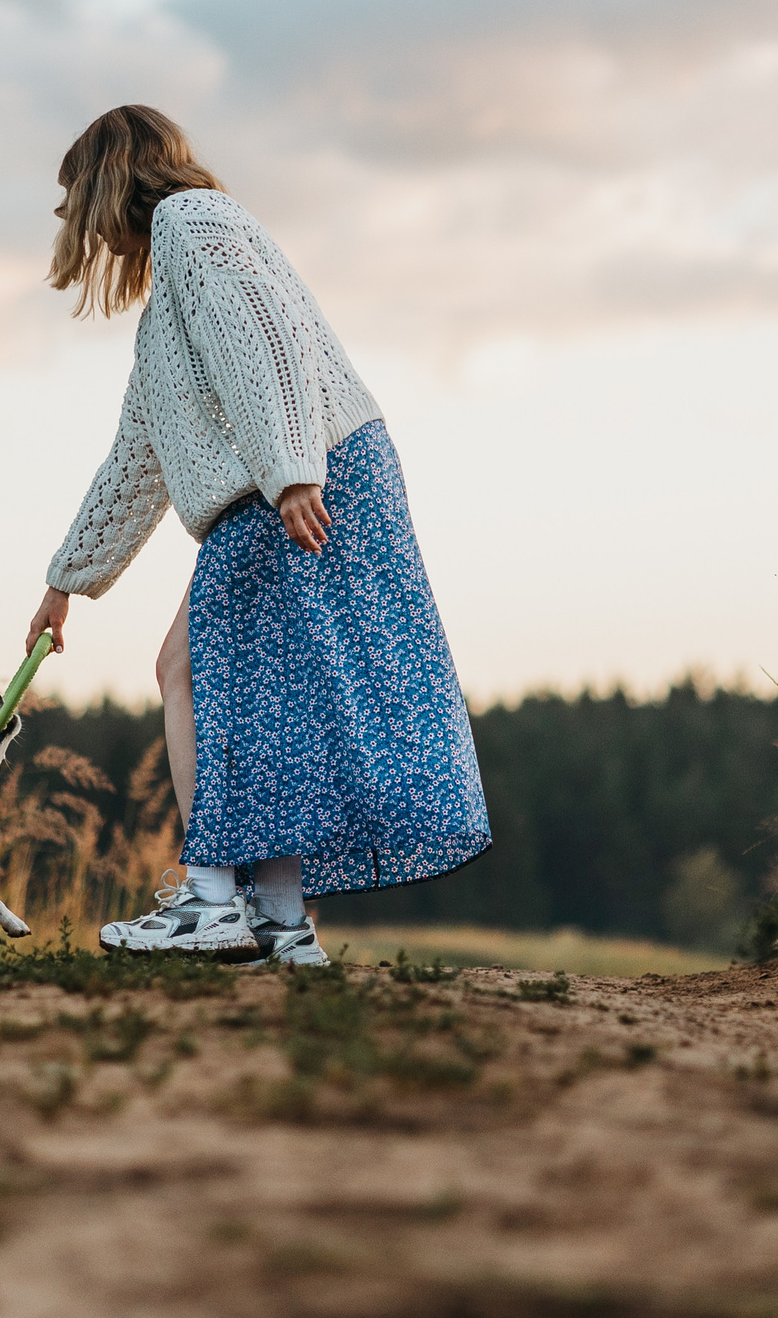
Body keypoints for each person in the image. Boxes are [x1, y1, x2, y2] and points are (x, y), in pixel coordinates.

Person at [27, 105, 490, 967]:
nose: (71, 220)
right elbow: (139, 452)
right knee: (242, 687)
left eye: (73, 196)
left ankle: (211, 900)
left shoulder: (191, 221)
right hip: (296, 476)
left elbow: (266, 339)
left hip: (300, 480)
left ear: (108, 181)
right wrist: (67, 580)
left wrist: (291, 471)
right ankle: (278, 918)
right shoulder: (171, 294)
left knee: (195, 672)